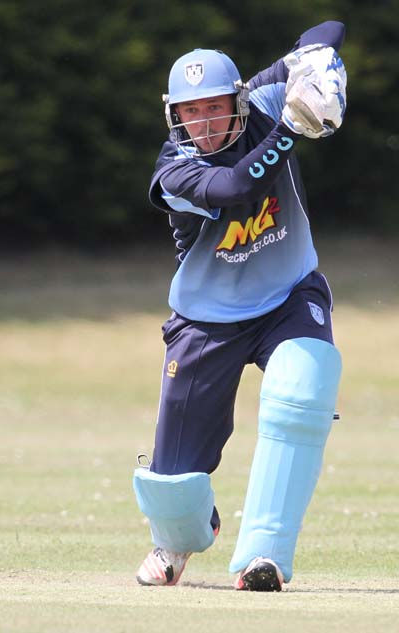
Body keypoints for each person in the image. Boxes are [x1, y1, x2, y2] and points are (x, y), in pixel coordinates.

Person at [133, 22, 347, 591]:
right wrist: (292, 129)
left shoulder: (264, 98)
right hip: (206, 320)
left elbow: (327, 30)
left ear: (238, 99)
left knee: (304, 385)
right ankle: (177, 539)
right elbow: (234, 189)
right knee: (174, 490)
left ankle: (264, 555)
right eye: (190, 112)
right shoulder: (173, 171)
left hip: (288, 295)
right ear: (173, 115)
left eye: (214, 108)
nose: (203, 124)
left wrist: (321, 64)